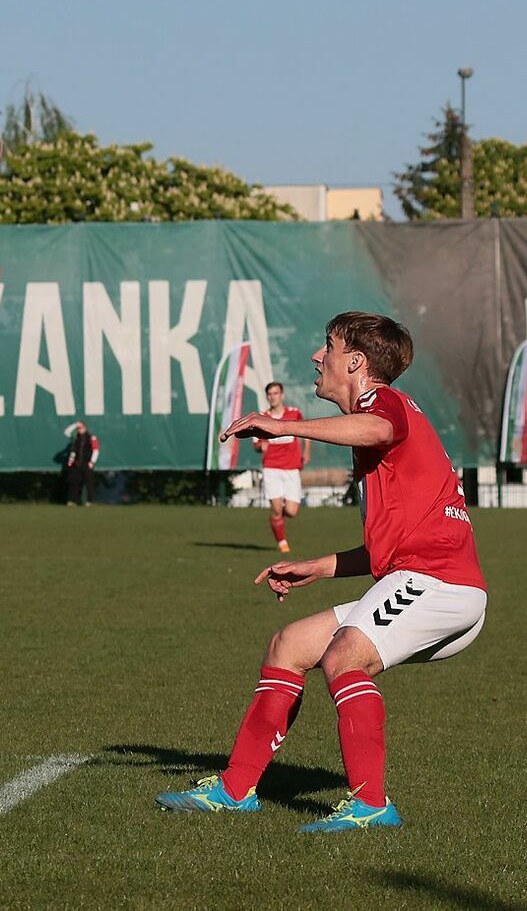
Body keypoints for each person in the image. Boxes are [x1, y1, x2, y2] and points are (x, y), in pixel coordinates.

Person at [156, 312, 487, 833]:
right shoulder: (377, 433)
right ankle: (235, 790)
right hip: (422, 581)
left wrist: (284, 426)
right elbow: (391, 549)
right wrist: (320, 566)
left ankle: (371, 805)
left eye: (327, 346)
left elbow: (378, 427)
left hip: (440, 587)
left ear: (355, 362)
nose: (317, 357)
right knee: (288, 645)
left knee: (344, 657)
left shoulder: (383, 404)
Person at [253, 381, 311, 552]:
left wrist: (307, 451)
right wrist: (260, 446)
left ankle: (277, 519)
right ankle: (282, 542)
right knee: (277, 508)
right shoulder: (262, 418)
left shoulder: (294, 413)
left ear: (282, 395)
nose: (273, 397)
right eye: (270, 394)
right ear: (267, 397)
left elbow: (307, 432)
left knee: (291, 512)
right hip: (271, 468)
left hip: (292, 468)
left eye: (276, 393)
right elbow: (256, 443)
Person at [65, 421, 100, 506]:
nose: (79, 430)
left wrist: (92, 462)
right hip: (77, 463)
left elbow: (96, 450)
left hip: (87, 463)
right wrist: (75, 425)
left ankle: (89, 501)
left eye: (80, 428)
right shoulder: (75, 437)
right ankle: (72, 500)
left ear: (85, 428)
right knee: (74, 482)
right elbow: (66, 432)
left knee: (89, 483)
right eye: (78, 428)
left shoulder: (91, 437)